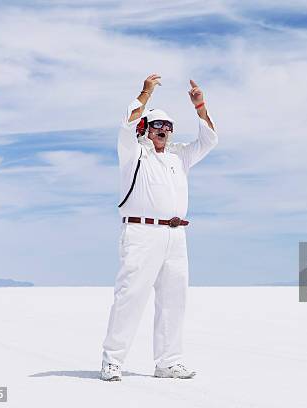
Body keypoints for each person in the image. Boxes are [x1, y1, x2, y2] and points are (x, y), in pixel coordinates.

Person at [100, 73, 217, 381]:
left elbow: (209, 140)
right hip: (141, 234)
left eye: (168, 127)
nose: (163, 130)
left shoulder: (180, 156)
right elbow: (126, 122)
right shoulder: (134, 152)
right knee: (130, 297)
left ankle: (168, 362)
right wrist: (145, 93)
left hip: (176, 236)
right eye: (157, 126)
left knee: (174, 300)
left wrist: (200, 106)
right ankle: (113, 360)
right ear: (146, 129)